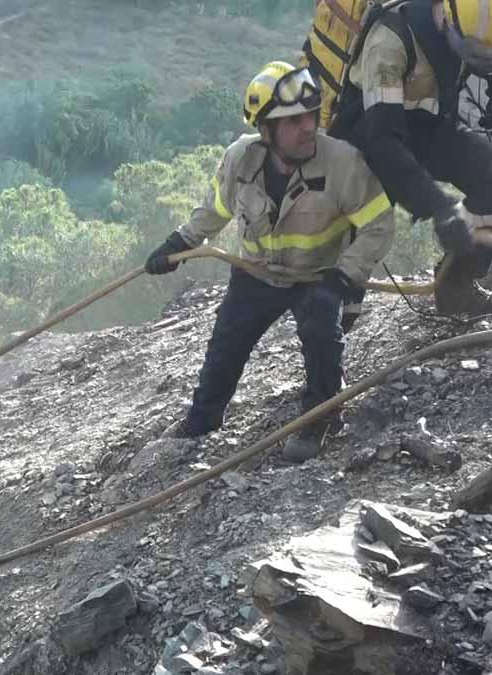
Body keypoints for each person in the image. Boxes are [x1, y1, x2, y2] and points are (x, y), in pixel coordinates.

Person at [145, 61, 395, 462]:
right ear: (266, 130)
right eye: (294, 121)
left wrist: (344, 276)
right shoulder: (239, 160)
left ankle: (321, 420)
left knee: (322, 335)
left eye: (311, 115)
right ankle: (203, 421)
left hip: (318, 276)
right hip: (257, 273)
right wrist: (178, 244)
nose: (309, 127)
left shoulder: (343, 163)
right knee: (225, 346)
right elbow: (214, 210)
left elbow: (378, 225)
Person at [327, 0, 492, 318]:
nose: (483, 61)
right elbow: (384, 143)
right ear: (447, 16)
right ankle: (331, 324)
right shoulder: (390, 39)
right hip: (371, 140)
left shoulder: (489, 26)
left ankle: (457, 290)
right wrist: (438, 207)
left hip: (432, 128)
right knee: (346, 274)